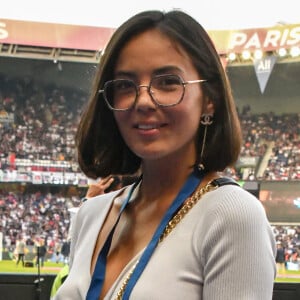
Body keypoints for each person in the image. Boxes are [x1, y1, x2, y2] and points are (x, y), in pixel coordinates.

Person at [54, 10, 276, 300]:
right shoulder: (91, 215)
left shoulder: (231, 215)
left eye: (168, 82)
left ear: (210, 100)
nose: (144, 100)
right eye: (124, 85)